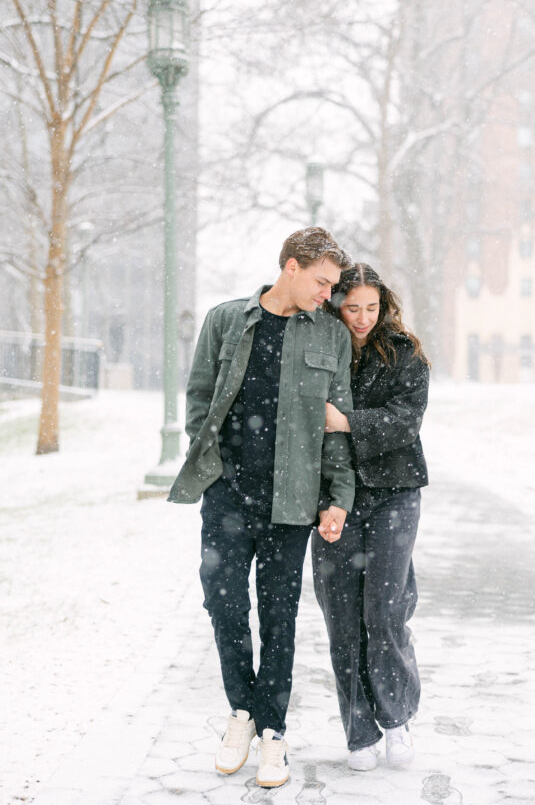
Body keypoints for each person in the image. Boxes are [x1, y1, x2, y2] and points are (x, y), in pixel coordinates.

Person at [168, 228, 355, 788]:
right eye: (322, 282)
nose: (329, 294)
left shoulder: (331, 336)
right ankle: (241, 713)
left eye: (334, 286)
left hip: (292, 499)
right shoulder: (226, 320)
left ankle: (272, 732)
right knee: (222, 606)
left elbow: (337, 424)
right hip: (227, 493)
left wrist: (337, 497)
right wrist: (213, 464)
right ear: (291, 267)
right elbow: (200, 397)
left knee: (279, 615)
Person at [312, 263, 430, 772]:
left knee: (385, 611)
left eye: (371, 308)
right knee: (342, 617)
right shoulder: (319, 349)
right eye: (352, 307)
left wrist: (348, 421)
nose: (362, 318)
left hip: (395, 493)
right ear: (337, 303)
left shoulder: (404, 352)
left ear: (384, 305)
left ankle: (397, 716)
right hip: (333, 496)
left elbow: (407, 420)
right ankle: (359, 730)